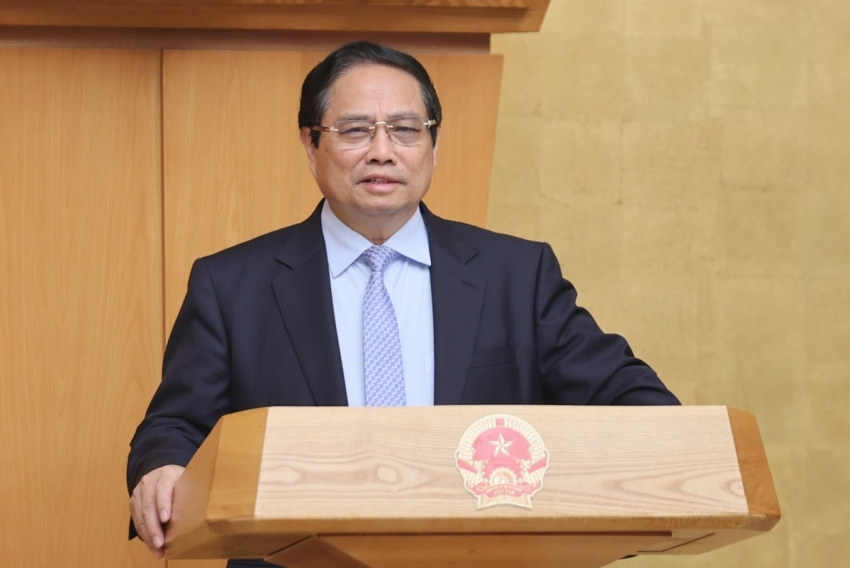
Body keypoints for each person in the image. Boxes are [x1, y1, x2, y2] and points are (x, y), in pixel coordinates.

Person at [127, 41, 679, 566]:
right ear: (310, 144)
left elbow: (628, 398)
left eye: (406, 129)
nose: (382, 151)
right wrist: (162, 467)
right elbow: (176, 425)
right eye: (355, 130)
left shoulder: (517, 274)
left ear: (433, 144)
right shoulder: (232, 285)